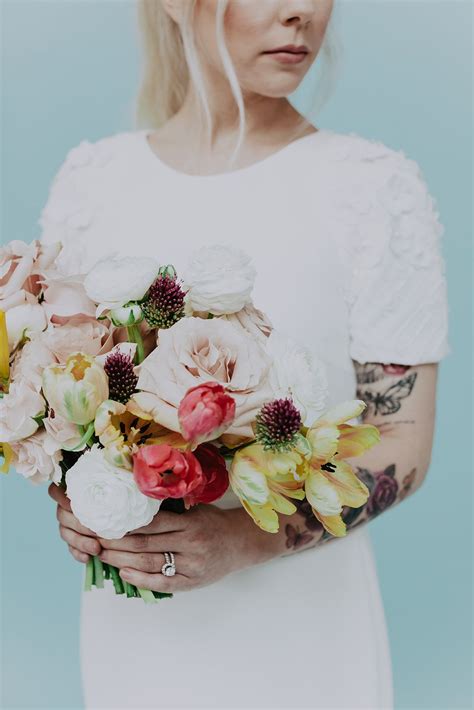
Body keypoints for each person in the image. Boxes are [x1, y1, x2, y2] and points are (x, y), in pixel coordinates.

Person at [43, 1, 451, 708]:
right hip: (138, 629)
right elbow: (59, 404)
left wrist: (244, 540)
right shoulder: (93, 184)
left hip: (305, 631)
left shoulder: (371, 188)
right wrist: (76, 499)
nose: (302, 13)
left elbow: (402, 439)